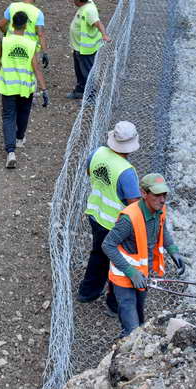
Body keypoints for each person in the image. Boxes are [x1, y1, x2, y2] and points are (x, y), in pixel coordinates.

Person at [102, 173, 185, 337]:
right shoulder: (129, 219)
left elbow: (163, 230)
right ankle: (128, 342)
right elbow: (108, 245)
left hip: (143, 274)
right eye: (157, 195)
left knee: (140, 314)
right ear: (144, 193)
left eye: (164, 195)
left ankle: (132, 336)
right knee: (132, 325)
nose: (162, 200)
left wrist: (174, 251)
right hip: (124, 276)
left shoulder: (159, 210)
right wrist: (130, 271)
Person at [76, 121, 141, 315]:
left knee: (98, 254)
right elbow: (134, 204)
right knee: (119, 262)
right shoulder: (126, 171)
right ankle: (115, 305)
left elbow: (90, 173)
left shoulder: (97, 153)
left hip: (95, 214)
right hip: (115, 224)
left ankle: (87, 292)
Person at [0, 10, 47, 169]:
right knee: (24, 113)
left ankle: (10, 152)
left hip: (8, 85)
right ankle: (20, 138)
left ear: (11, 24)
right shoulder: (31, 45)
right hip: (26, 86)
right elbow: (36, 68)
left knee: (8, 116)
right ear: (25, 25)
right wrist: (44, 89)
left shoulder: (5, 41)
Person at [67, 0, 110, 100]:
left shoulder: (89, 11)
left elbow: (98, 23)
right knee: (79, 71)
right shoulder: (86, 2)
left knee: (87, 73)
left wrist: (104, 35)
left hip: (85, 50)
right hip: (78, 48)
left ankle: (91, 97)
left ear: (78, 0)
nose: (72, 0)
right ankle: (80, 90)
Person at [0, 0, 48, 67]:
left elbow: (1, 25)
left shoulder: (12, 7)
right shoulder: (38, 13)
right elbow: (41, 34)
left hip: (11, 45)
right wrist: (45, 53)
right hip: (29, 48)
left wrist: (6, 33)